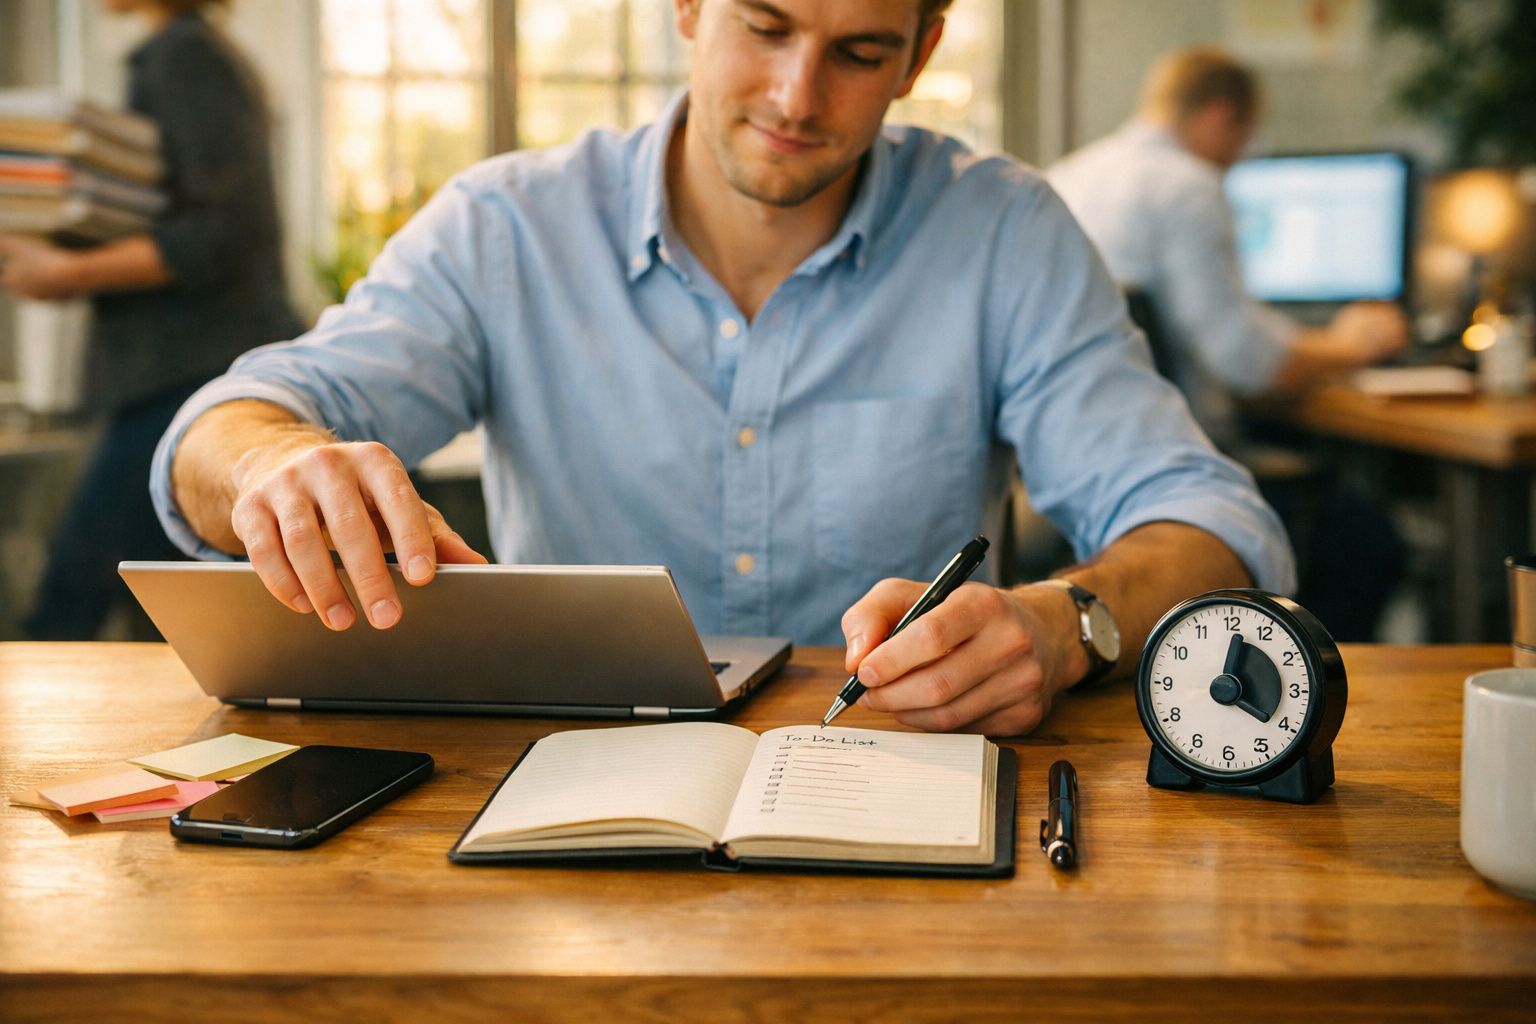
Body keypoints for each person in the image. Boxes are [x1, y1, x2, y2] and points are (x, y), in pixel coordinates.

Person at [152, 0, 1294, 736]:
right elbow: (224, 427)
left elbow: (1212, 525)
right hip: (567, 806)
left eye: (857, 52)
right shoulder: (506, 226)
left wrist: (1062, 625)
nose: (799, 98)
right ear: (687, 9)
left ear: (923, 54)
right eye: (765, 25)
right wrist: (277, 462)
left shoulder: (1003, 233)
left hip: (889, 792)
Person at [1047, 46, 1408, 640]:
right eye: (1246, 139)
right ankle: (1315, 701)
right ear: (1220, 116)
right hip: (1177, 462)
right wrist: (1352, 345)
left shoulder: (1069, 174)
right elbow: (1248, 362)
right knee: (1370, 543)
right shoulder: (1186, 184)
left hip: (1070, 476)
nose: (1243, 158)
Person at [0, 0, 303, 639]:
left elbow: (220, 233)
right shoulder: (190, 54)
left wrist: (66, 272)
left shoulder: (186, 57)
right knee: (166, 610)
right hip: (186, 367)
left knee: (70, 597)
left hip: (191, 369)